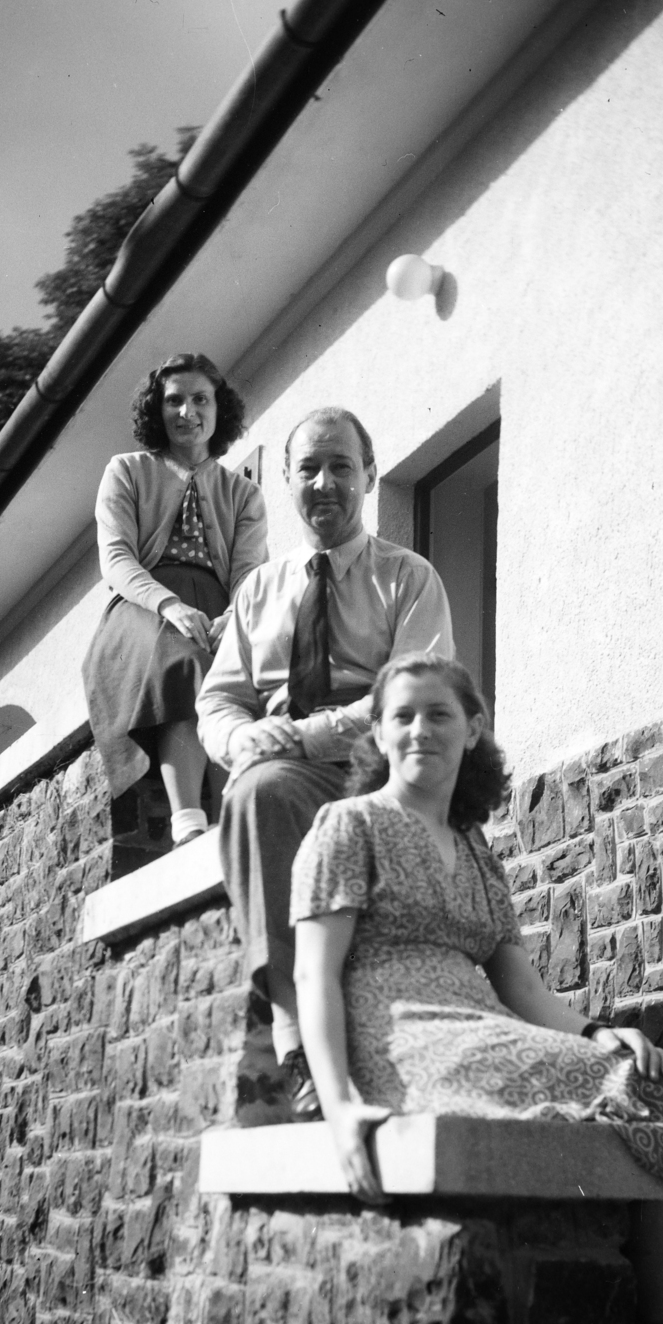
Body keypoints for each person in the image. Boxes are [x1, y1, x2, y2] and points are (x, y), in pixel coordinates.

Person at [289, 651, 663, 1324]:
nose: (420, 729)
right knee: (650, 1097)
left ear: (472, 727)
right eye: (402, 715)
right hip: (405, 1033)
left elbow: (520, 985)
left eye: (438, 713)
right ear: (378, 732)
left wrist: (595, 1032)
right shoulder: (348, 827)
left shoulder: (477, 850)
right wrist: (340, 1102)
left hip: (488, 1027)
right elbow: (316, 973)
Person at [196, 407, 454, 1114]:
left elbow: (414, 692)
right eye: (308, 467)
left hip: (376, 763)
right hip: (280, 765)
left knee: (267, 790)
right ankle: (296, 1039)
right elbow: (218, 700)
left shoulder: (408, 578)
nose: (325, 482)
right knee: (258, 789)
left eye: (341, 465)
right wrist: (243, 740)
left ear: (370, 476)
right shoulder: (257, 592)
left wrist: (308, 736)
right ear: (286, 481)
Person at [82, 353, 267, 845]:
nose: (188, 412)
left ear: (218, 409)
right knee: (185, 663)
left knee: (245, 680)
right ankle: (188, 821)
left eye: (200, 399)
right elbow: (117, 559)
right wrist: (169, 605)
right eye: (174, 401)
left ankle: (235, 819)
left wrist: (233, 617)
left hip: (222, 611)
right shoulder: (126, 471)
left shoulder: (242, 493)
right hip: (144, 609)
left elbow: (251, 572)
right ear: (155, 411)